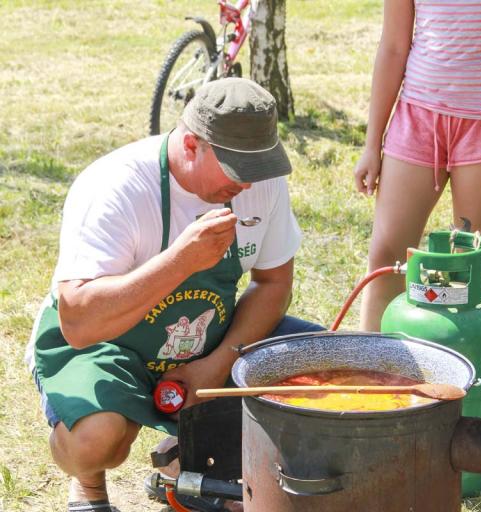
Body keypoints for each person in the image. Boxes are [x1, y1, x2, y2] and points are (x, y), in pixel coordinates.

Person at [25, 77, 324, 512]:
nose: (247, 184)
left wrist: (214, 367)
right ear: (190, 145)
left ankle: (184, 460)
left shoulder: (260, 182)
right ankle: (87, 481)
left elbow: (274, 284)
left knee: (325, 371)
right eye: (237, 169)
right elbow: (79, 322)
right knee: (97, 440)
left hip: (207, 338)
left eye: (258, 167)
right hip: (107, 341)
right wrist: (181, 261)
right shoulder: (116, 187)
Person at [354, 0, 481, 331]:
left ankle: (474, 363)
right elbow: (393, 46)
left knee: (474, 264)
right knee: (386, 259)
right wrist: (372, 144)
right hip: (416, 120)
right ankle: (374, 362)